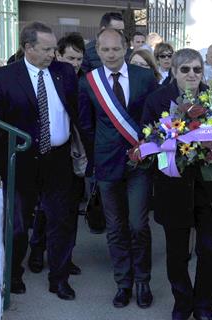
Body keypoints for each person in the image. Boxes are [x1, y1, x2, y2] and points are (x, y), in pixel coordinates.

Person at [0, 22, 82, 300]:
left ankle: (58, 279)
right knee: (18, 225)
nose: (52, 54)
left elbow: (76, 113)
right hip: (20, 161)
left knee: (61, 222)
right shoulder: (4, 77)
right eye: (46, 49)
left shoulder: (65, 73)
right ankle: (13, 275)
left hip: (58, 160)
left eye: (54, 48)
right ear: (28, 48)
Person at [142, 48, 212, 320]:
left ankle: (205, 308)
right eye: (185, 69)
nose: (192, 74)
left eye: (197, 69)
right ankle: (182, 302)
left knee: (210, 250)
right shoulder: (157, 100)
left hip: (210, 188)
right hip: (174, 186)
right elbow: (146, 141)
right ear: (173, 71)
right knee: (177, 253)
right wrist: (168, 151)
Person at [78, 28, 158, 308]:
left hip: (140, 163)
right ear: (97, 51)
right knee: (115, 228)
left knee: (138, 225)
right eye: (105, 50)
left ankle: (143, 281)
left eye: (115, 49)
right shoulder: (89, 82)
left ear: (125, 48)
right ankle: (123, 283)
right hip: (107, 165)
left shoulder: (145, 78)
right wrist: (96, 157)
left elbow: (157, 118)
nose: (111, 54)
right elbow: (85, 125)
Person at [27, 32, 86, 276]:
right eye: (70, 58)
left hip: (72, 155)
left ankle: (64, 255)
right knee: (44, 208)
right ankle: (38, 250)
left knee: (69, 211)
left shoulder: (84, 80)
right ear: (58, 55)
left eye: (79, 59)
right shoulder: (51, 75)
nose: (75, 64)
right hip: (44, 153)